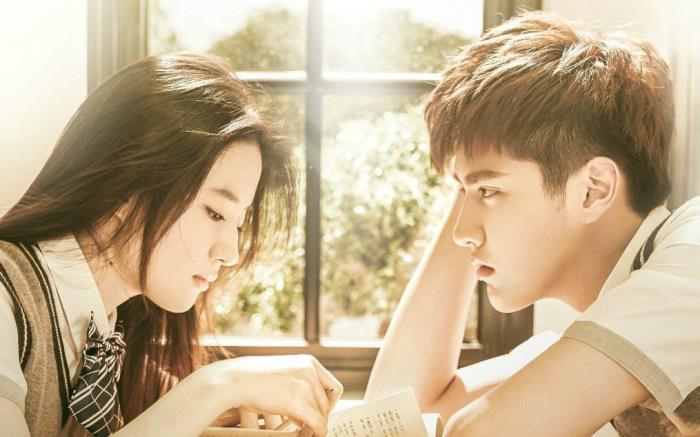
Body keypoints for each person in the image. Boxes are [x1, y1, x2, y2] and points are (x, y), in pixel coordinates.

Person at [365, 11, 699, 437]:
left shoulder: (692, 251)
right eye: (462, 193)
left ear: (593, 190)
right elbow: (392, 419)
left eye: (489, 192)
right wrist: (471, 173)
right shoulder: (582, 347)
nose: (461, 233)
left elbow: (479, 433)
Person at [0, 52, 342, 437]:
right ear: (125, 189)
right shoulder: (7, 299)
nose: (229, 254)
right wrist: (218, 386)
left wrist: (211, 414)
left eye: (239, 224)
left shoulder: (114, 339)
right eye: (215, 213)